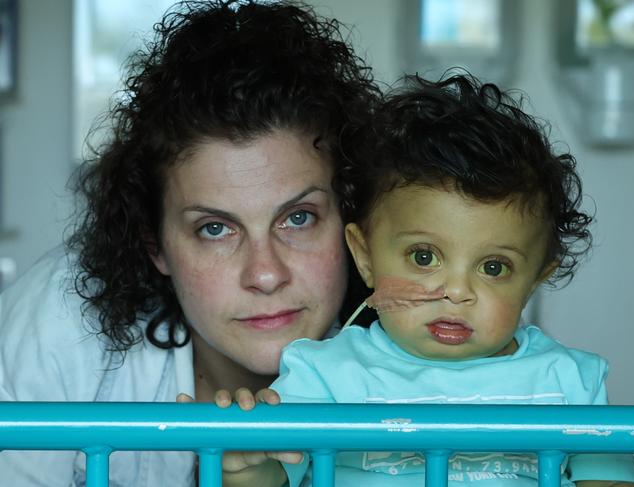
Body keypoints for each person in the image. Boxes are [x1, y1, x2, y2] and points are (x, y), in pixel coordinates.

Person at [0, 0, 379, 485]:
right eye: (215, 229)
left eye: (298, 218)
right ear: (154, 243)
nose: (265, 274)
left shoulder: (451, 322)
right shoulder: (63, 319)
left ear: (352, 219)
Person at [265, 73, 634, 486]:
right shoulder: (324, 376)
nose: (457, 292)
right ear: (365, 256)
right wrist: (247, 464)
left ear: (535, 279)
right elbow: (267, 477)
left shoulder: (570, 383)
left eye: (494, 268)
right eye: (423, 257)